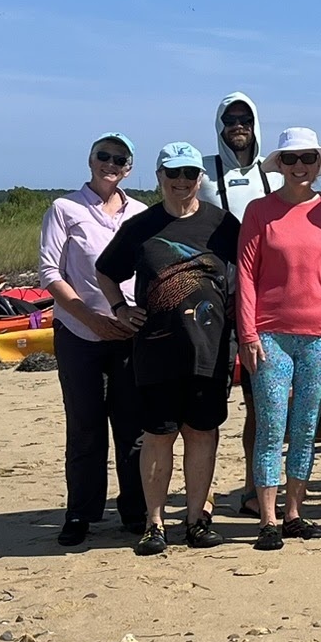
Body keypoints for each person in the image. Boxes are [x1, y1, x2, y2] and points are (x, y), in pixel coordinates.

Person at [94, 142, 241, 556]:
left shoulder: (222, 224)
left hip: (210, 350)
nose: (181, 182)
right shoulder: (142, 226)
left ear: (200, 178)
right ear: (159, 176)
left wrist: (240, 311)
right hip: (156, 349)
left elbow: (248, 270)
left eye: (190, 174)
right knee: (159, 435)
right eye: (173, 174)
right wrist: (120, 308)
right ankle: (153, 524)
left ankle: (196, 519)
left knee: (202, 432)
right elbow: (105, 271)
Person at [236, 128, 321, 549]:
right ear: (279, 165)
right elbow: (246, 276)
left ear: (318, 165)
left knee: (305, 427)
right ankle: (267, 518)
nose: (299, 166)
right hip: (269, 335)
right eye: (290, 159)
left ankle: (294, 513)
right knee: (270, 426)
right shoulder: (259, 212)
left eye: (307, 158)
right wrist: (247, 333)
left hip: (318, 336)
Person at [38, 132, 149, 547]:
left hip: (128, 334)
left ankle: (135, 510)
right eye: (104, 156)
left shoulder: (140, 213)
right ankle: (81, 513)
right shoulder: (64, 208)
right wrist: (90, 317)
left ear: (129, 168)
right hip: (79, 333)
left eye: (120, 159)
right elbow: (51, 272)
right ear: (90, 160)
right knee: (85, 426)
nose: (111, 164)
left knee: (132, 427)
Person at [197, 92, 283, 523]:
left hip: (260, 301)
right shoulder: (205, 172)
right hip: (214, 299)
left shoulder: (273, 173)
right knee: (209, 402)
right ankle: (203, 492)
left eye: (244, 118)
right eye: (229, 119)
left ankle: (253, 488)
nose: (237, 125)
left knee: (259, 402)